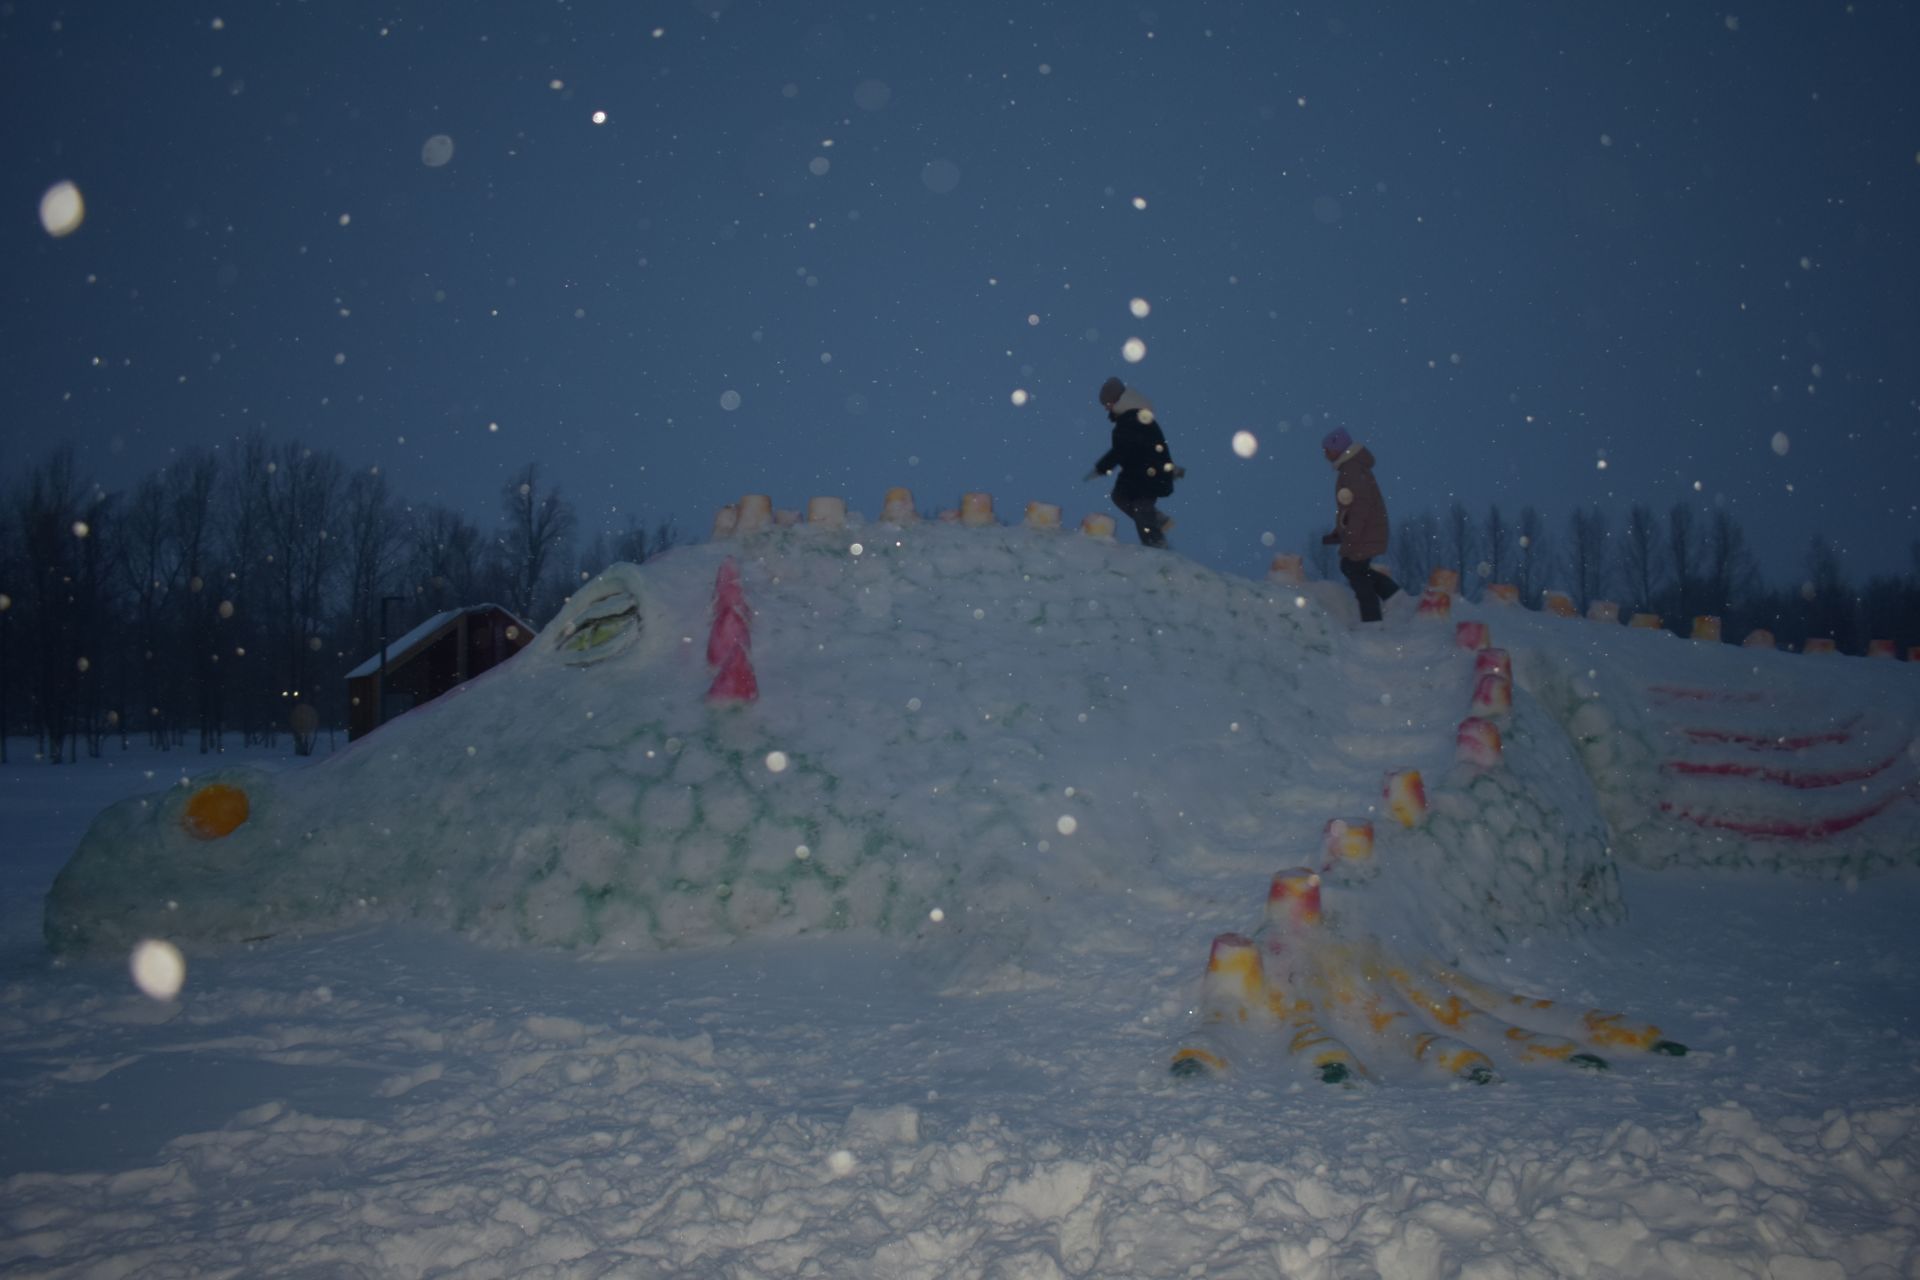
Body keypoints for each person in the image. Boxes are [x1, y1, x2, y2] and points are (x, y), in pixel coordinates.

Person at [1088, 376, 1183, 547]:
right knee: (1120, 496)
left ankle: (1156, 547)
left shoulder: (1131, 419)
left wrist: (1102, 468)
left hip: (1148, 474)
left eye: (1106, 403)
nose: (1105, 408)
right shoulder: (1134, 417)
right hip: (1139, 473)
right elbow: (1145, 447)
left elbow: (1122, 450)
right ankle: (1157, 521)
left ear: (1115, 400)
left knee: (1141, 508)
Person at [1319, 427, 1401, 623]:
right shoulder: (1350, 468)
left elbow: (1360, 506)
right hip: (1365, 530)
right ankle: (1394, 598)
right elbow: (1349, 508)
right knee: (1354, 568)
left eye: (1327, 449)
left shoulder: (1352, 470)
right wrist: (1339, 532)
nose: (1325, 454)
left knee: (1353, 568)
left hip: (1365, 531)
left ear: (1338, 449)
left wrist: (1352, 534)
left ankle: (1373, 617)